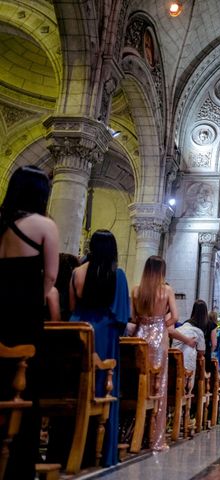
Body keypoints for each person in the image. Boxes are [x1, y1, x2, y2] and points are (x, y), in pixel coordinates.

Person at [0, 165, 59, 479]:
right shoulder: (44, 225)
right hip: (24, 310)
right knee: (27, 381)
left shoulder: (2, 224)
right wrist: (37, 298)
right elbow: (50, 274)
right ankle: (19, 464)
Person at [65, 230, 130, 466]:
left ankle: (70, 447)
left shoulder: (76, 273)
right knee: (104, 390)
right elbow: (122, 317)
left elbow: (72, 308)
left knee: (78, 389)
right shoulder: (118, 275)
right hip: (105, 336)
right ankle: (101, 451)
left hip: (79, 332)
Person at [131, 255, 178, 451]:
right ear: (162, 271)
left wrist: (146, 322)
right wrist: (160, 324)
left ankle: (135, 434)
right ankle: (156, 439)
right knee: (160, 384)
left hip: (140, 335)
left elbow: (133, 318)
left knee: (139, 382)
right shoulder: (166, 290)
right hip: (158, 338)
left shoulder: (135, 290)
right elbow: (175, 316)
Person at [172, 300, 207, 373]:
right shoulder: (198, 331)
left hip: (173, 362)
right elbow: (201, 352)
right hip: (187, 366)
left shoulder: (178, 330)